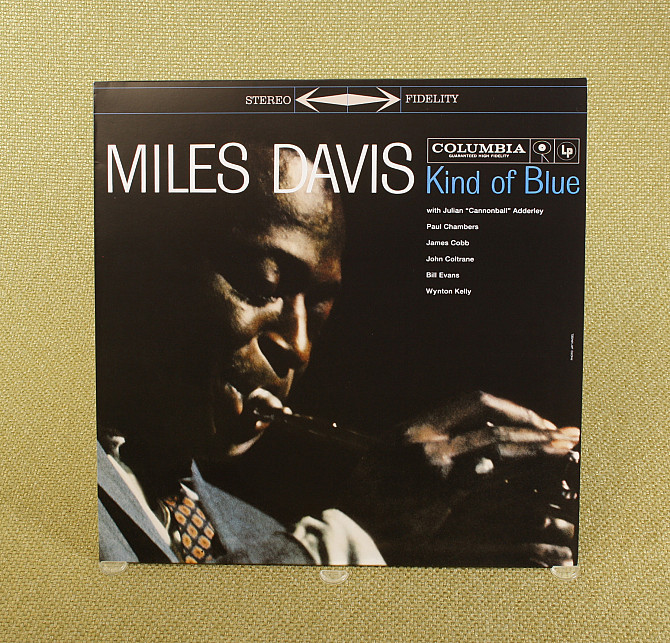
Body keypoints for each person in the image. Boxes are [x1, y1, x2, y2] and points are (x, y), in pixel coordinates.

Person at [96, 146, 579, 566]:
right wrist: (361, 537)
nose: (299, 347)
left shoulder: (261, 534)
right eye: (262, 284)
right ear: (139, 265)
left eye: (318, 313)